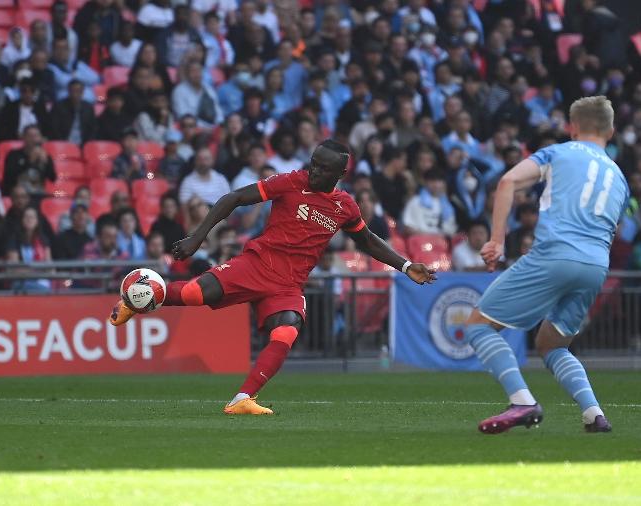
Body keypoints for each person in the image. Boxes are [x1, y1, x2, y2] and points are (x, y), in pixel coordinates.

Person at [108, 139, 437, 414]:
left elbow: (366, 241)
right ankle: (135, 302)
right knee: (196, 293)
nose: (314, 171)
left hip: (288, 284)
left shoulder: (345, 207)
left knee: (287, 330)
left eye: (323, 168)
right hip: (257, 264)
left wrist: (406, 267)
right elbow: (234, 198)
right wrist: (198, 237)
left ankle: (243, 399)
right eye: (313, 163)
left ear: (340, 174)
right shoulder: (291, 182)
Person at [462, 96, 630, 434]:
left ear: (572, 127)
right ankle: (593, 413)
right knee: (552, 344)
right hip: (596, 264)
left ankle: (522, 401)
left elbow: (508, 182)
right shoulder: (620, 177)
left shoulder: (559, 152)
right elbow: (613, 231)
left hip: (555, 253)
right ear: (611, 131)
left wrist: (496, 240)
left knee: (478, 325)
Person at [5, 207, 52, 293]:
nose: (29, 219)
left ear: (37, 221)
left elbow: (49, 268)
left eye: (32, 217)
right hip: (21, 281)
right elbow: (13, 268)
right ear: (22, 220)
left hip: (42, 281)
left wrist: (29, 270)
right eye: (26, 217)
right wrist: (36, 270)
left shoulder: (44, 240)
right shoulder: (14, 239)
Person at [2, 125, 56, 197]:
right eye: (30, 136)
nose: (34, 139)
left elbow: (53, 178)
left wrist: (47, 163)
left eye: (36, 136)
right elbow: (9, 177)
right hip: (18, 195)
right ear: (24, 137)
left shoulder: (44, 155)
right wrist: (30, 161)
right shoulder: (14, 155)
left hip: (38, 193)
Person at [402, 169, 458, 237]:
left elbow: (450, 232)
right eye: (432, 181)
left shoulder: (448, 206)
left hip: (441, 243)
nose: (436, 185)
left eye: (439, 181)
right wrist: (427, 236)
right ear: (425, 182)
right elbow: (407, 227)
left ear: (444, 183)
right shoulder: (415, 201)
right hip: (419, 241)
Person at [171, 59, 223, 128]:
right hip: (192, 129)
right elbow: (183, 116)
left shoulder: (209, 89)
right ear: (187, 73)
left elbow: (218, 112)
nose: (197, 74)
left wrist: (218, 126)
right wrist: (205, 128)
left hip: (213, 128)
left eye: (199, 70)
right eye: (193, 71)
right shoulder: (179, 91)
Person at [49, 79, 97, 145]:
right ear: (68, 91)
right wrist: (63, 144)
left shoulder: (88, 107)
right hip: (62, 144)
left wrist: (87, 145)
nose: (75, 94)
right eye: (73, 91)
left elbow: (92, 129)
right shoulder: (58, 107)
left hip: (83, 145)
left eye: (78, 91)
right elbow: (54, 129)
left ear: (82, 92)